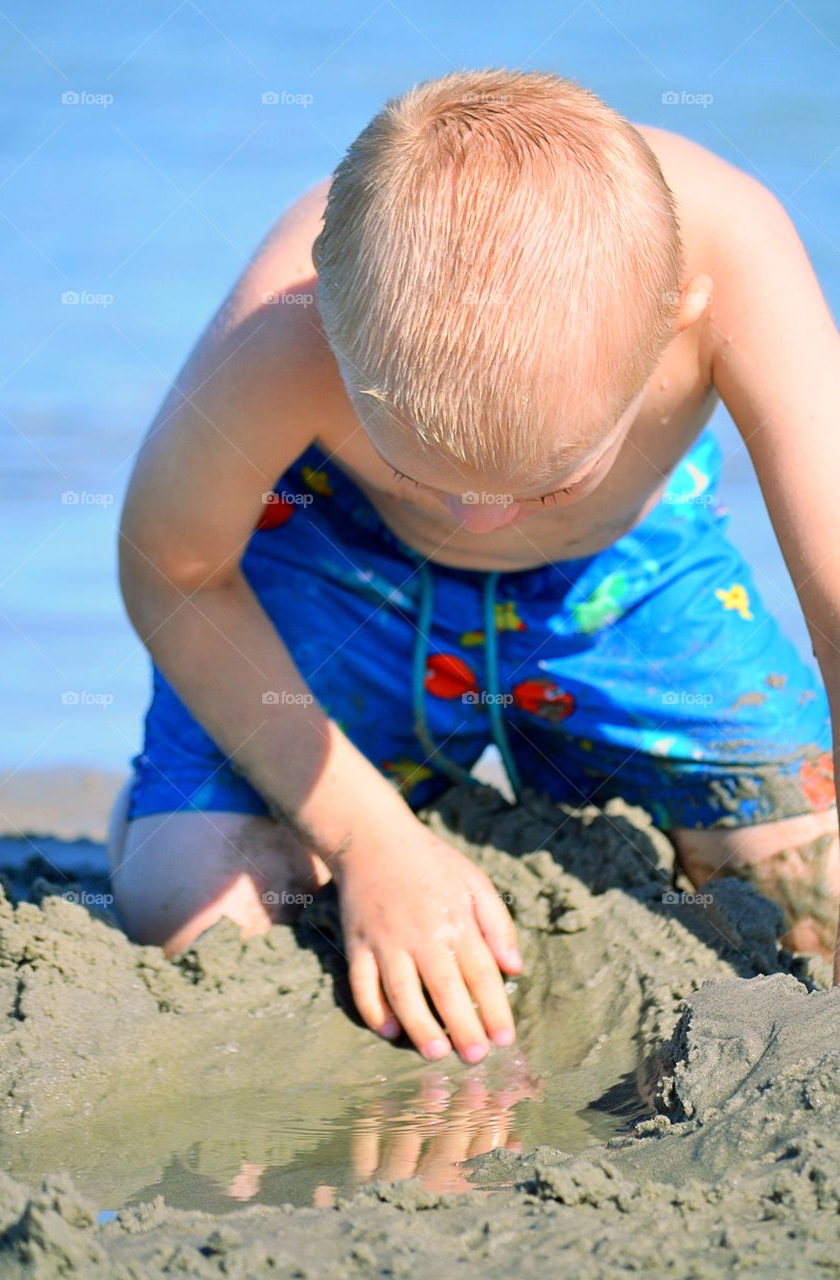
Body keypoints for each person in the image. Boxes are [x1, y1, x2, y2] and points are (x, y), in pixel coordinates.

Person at [109, 69, 840, 1066]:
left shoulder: (737, 252)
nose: (481, 518)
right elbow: (176, 567)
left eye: (547, 477)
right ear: (329, 321)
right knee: (191, 905)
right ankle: (234, 802)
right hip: (342, 560)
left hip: (621, 572)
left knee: (813, 901)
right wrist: (370, 842)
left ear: (677, 314)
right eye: (424, 469)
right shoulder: (284, 330)